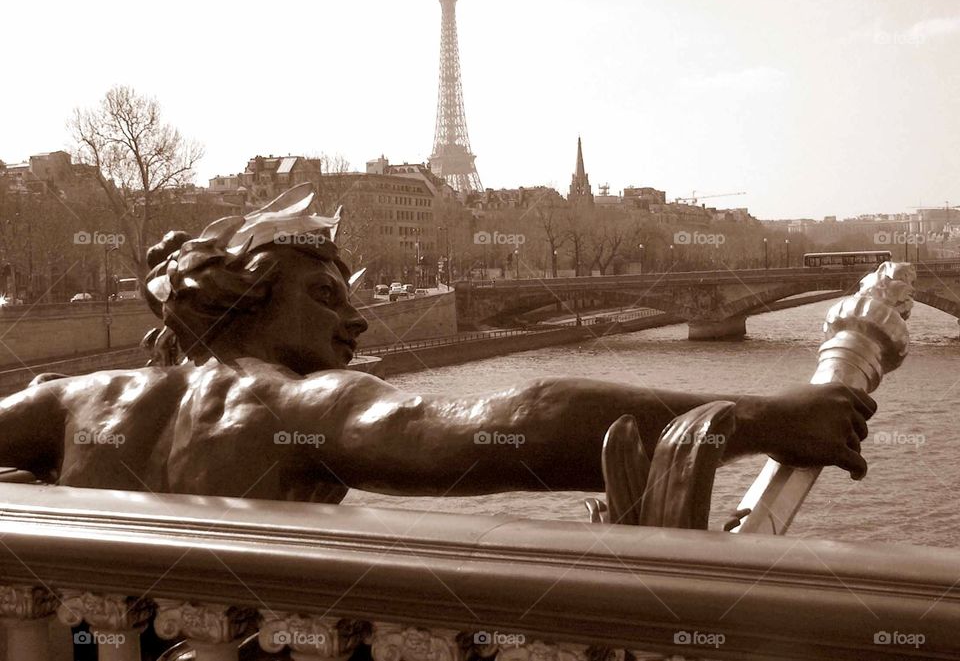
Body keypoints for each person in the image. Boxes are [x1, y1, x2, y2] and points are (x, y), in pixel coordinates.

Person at [0, 184, 874, 504]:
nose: (356, 320)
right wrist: (767, 415)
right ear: (255, 300)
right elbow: (523, 422)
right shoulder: (297, 405)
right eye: (329, 295)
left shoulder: (69, 401)